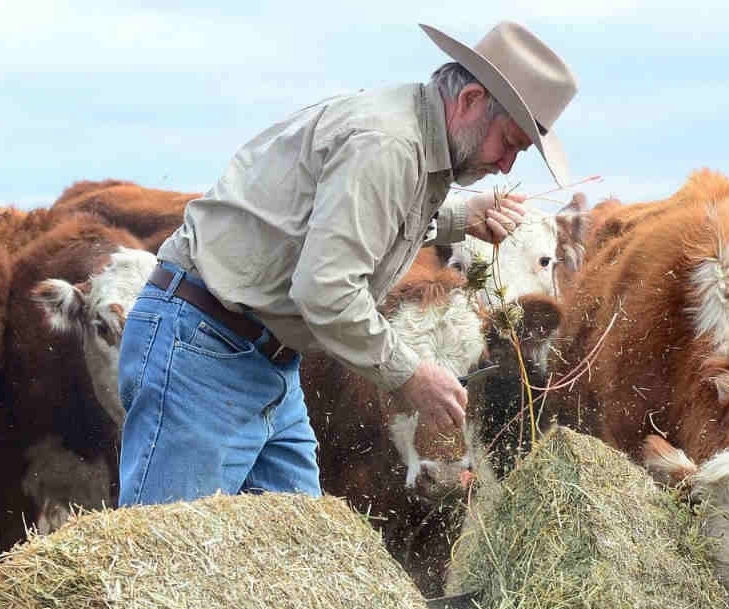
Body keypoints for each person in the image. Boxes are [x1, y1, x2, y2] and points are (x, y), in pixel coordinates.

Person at [117, 21, 579, 506]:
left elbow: (356, 221)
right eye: (509, 141)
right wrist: (412, 376)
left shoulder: (408, 134)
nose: (506, 165)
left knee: (300, 556)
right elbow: (327, 291)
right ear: (470, 101)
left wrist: (459, 218)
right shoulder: (388, 145)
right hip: (204, 349)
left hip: (256, 352)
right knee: (166, 559)